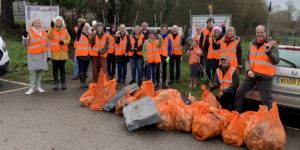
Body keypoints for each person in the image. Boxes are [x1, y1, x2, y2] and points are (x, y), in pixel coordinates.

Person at [234, 25, 280, 112]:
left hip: (265, 77)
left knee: (266, 100)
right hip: (252, 75)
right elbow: (247, 59)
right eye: (258, 32)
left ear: (266, 33)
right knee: (239, 92)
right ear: (255, 33)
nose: (260, 34)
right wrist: (248, 70)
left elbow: (276, 61)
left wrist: (269, 52)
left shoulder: (272, 44)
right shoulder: (252, 43)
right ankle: (236, 114)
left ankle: (269, 120)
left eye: (262, 32)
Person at [22, 18, 51, 95]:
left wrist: (49, 55)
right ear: (33, 24)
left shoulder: (44, 32)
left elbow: (48, 44)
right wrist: (25, 38)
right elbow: (24, 45)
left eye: (39, 23)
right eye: (36, 23)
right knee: (32, 71)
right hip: (33, 55)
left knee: (40, 71)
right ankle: (31, 88)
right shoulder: (28, 31)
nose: (38, 24)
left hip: (42, 55)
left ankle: (38, 86)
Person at [48, 16, 71, 90]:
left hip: (63, 52)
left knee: (62, 69)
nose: (59, 22)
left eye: (60, 21)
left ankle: (63, 83)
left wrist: (64, 42)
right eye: (57, 21)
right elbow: (49, 36)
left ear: (62, 22)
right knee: (55, 69)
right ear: (55, 22)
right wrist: (51, 28)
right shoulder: (51, 29)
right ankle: (56, 84)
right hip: (54, 53)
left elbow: (69, 39)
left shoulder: (65, 29)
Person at [75, 21, 92, 88]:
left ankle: (84, 82)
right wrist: (82, 24)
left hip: (87, 55)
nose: (85, 28)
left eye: (87, 28)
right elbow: (79, 30)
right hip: (81, 55)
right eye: (84, 27)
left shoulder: (89, 36)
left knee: (85, 70)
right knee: (81, 70)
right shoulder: (79, 34)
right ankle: (82, 83)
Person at [156, 24, 172, 88]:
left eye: (165, 29)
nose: (164, 30)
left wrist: (168, 57)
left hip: (165, 56)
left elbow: (170, 48)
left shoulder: (169, 38)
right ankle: (156, 82)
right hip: (158, 55)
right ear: (161, 30)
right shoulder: (158, 37)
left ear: (167, 30)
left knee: (164, 69)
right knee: (157, 69)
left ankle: (164, 82)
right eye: (163, 29)